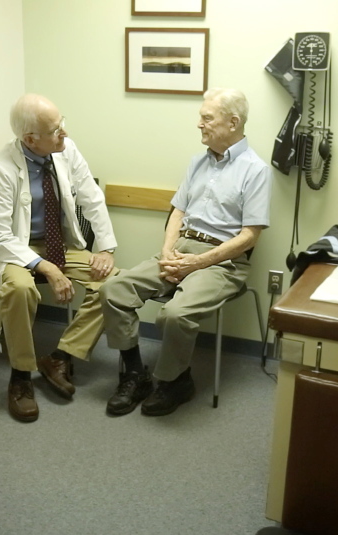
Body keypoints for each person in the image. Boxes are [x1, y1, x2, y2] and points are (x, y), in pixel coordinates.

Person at [100, 88, 272, 417]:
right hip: (180, 252)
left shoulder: (255, 170)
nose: (199, 124)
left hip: (220, 263)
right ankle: (136, 374)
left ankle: (174, 381)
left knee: (175, 315)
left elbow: (250, 235)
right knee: (114, 289)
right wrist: (167, 252)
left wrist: (198, 262)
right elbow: (177, 212)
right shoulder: (198, 162)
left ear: (233, 122)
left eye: (207, 118)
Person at [0, 94, 118, 423]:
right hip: (14, 248)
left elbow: (91, 198)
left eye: (61, 123)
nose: (63, 133)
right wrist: (46, 267)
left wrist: (106, 249)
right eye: (55, 129)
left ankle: (61, 356)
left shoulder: (66, 149)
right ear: (30, 139)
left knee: (116, 283)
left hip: (59, 244)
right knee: (20, 290)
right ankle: (21, 377)